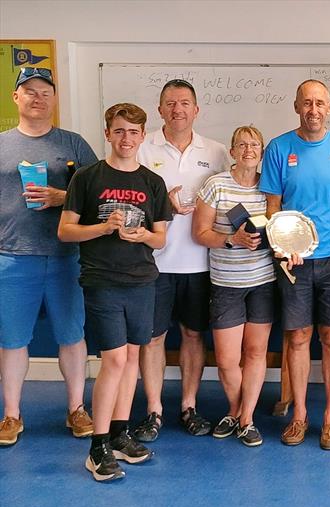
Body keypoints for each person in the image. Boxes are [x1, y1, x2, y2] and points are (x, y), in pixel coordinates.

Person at [58, 103, 171, 482]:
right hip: (102, 281)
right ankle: (97, 447)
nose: (126, 139)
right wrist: (102, 228)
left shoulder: (152, 183)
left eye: (134, 132)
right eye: (119, 131)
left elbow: (160, 238)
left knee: (134, 357)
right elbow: (66, 231)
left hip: (142, 281)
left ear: (143, 136)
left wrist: (142, 236)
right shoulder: (88, 178)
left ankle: (121, 433)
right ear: (108, 134)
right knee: (115, 362)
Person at [261, 79, 330, 451]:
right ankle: (300, 415)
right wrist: (283, 245)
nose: (313, 110)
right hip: (295, 261)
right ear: (296, 106)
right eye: (307, 103)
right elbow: (272, 207)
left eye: (320, 103)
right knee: (298, 337)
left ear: (329, 107)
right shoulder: (278, 148)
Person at [0, 67, 96, 446]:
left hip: (65, 256)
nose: (38, 98)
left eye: (45, 92)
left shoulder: (73, 145)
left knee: (72, 336)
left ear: (55, 99)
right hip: (11, 256)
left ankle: (76, 408)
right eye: (30, 91)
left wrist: (62, 197)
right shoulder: (3, 144)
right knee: (12, 340)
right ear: (16, 98)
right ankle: (11, 414)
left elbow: (98, 195)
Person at [134, 79, 230, 441]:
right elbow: (126, 202)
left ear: (196, 109)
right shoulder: (142, 148)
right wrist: (162, 205)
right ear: (160, 110)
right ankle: (154, 410)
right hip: (152, 263)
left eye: (185, 103)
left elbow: (229, 200)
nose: (178, 110)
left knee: (193, 334)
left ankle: (189, 405)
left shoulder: (217, 152)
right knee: (153, 338)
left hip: (202, 264)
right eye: (170, 103)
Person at [192, 126, 275, 447]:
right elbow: (199, 233)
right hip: (226, 283)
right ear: (232, 150)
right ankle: (235, 409)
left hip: (263, 284)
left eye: (254, 144)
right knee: (227, 359)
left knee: (255, 353)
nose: (248, 150)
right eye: (242, 144)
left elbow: (280, 228)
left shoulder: (270, 188)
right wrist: (232, 239)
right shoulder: (216, 185)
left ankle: (246, 419)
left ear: (262, 151)